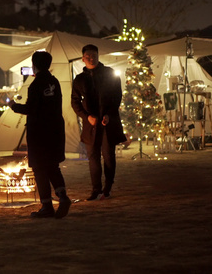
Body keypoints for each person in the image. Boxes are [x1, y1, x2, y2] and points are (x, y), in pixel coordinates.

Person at [8, 51, 71, 219]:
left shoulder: (35, 85)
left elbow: (30, 109)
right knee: (53, 166)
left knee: (39, 169)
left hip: (39, 132)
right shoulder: (54, 82)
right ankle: (63, 196)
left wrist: (13, 105)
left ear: (34, 65)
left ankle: (47, 206)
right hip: (56, 129)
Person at [71, 44, 127, 201]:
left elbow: (117, 96)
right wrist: (86, 116)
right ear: (83, 58)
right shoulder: (80, 79)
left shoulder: (109, 74)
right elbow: (74, 102)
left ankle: (107, 188)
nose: (91, 58)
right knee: (93, 157)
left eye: (93, 55)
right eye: (88, 56)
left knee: (109, 156)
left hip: (108, 122)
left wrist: (109, 114)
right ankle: (96, 188)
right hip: (91, 125)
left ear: (98, 55)